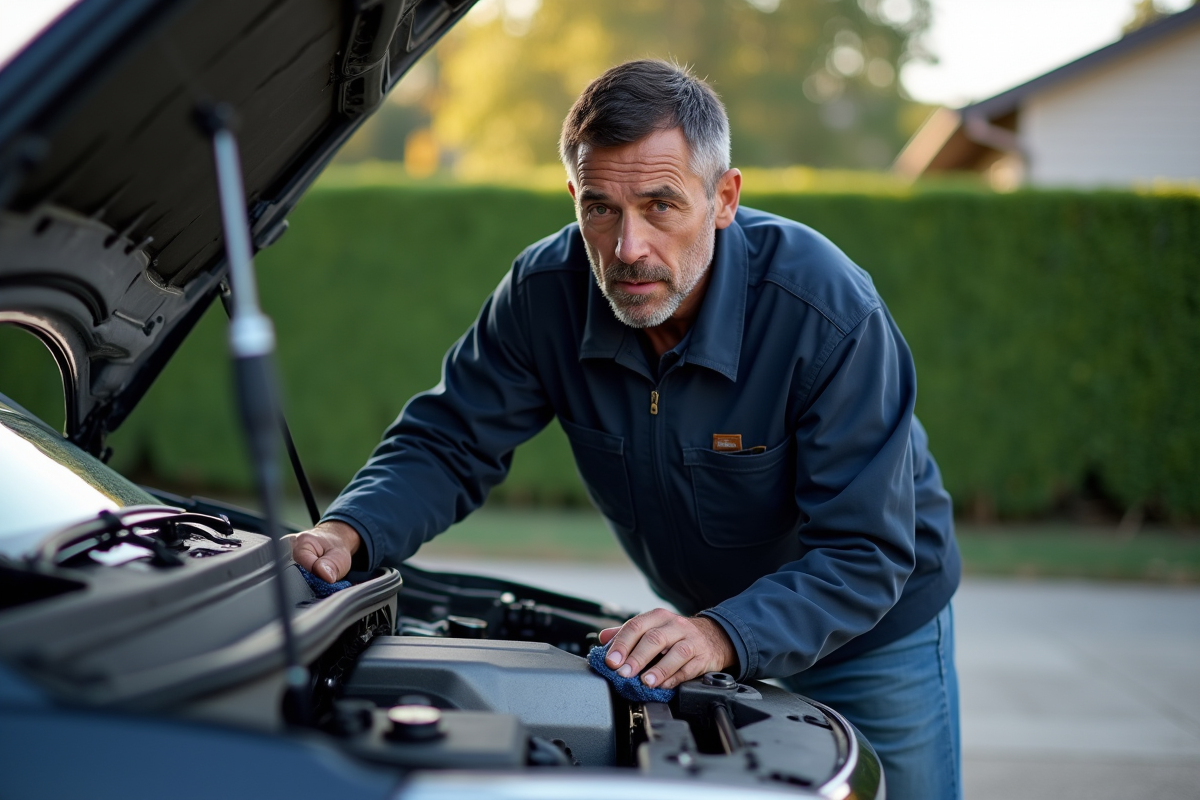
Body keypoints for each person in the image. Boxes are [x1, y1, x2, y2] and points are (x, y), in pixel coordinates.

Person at [290, 59, 961, 800]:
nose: (627, 248)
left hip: (873, 638)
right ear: (574, 198)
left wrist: (722, 634)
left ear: (724, 198)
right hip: (704, 634)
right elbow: (448, 443)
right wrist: (349, 531)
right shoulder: (544, 294)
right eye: (601, 209)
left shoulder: (826, 314)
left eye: (660, 205)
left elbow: (865, 549)